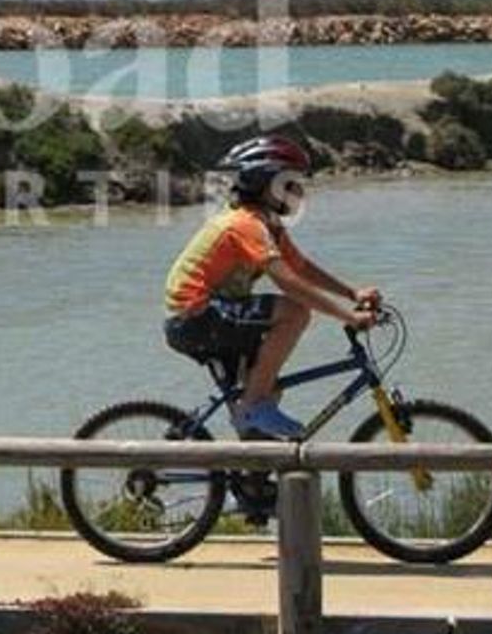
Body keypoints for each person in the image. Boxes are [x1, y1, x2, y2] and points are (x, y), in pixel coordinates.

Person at [161, 135, 381, 440]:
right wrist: (348, 316)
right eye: (291, 184)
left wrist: (352, 293)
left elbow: (301, 267)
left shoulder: (268, 226)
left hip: (211, 315)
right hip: (195, 317)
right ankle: (252, 407)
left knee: (268, 387)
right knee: (294, 312)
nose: (299, 192)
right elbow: (289, 282)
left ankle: (247, 476)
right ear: (266, 184)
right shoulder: (245, 225)